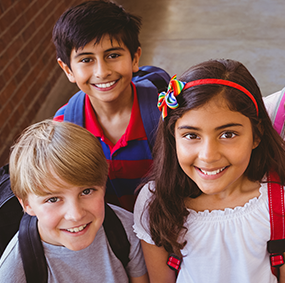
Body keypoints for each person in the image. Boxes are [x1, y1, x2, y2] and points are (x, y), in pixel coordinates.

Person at [133, 59, 285, 283]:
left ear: (257, 135)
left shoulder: (279, 202)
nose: (208, 155)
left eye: (228, 134)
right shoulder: (156, 201)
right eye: (192, 136)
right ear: (173, 137)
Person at [52, 0, 169, 212]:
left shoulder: (165, 112)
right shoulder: (64, 127)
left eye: (113, 56)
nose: (102, 71)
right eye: (86, 60)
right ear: (68, 69)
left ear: (135, 59)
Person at [0, 119, 148, 283]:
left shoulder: (126, 230)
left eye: (86, 191)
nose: (75, 215)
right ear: (27, 204)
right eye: (53, 199)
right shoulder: (14, 269)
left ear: (103, 185)